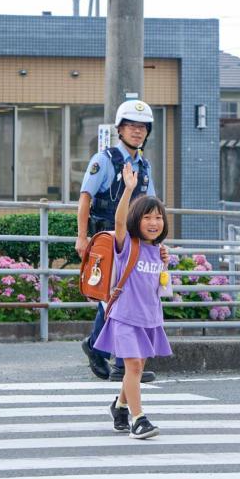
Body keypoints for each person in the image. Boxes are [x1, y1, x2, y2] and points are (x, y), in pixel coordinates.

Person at [76, 99, 159, 383]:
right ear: (120, 129)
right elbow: (85, 197)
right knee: (112, 298)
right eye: (131, 126)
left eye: (142, 127)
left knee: (122, 297)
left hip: (132, 242)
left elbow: (150, 205)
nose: (137, 131)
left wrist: (155, 241)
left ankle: (98, 347)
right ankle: (122, 363)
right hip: (105, 239)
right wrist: (82, 237)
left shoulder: (144, 166)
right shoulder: (104, 160)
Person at [94, 163, 172, 439]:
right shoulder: (128, 244)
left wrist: (166, 263)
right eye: (147, 217)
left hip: (149, 318)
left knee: (137, 368)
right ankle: (139, 419)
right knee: (134, 366)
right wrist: (128, 189)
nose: (154, 222)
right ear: (137, 220)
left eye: (158, 218)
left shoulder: (158, 251)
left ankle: (120, 407)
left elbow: (161, 287)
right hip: (125, 316)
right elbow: (118, 222)